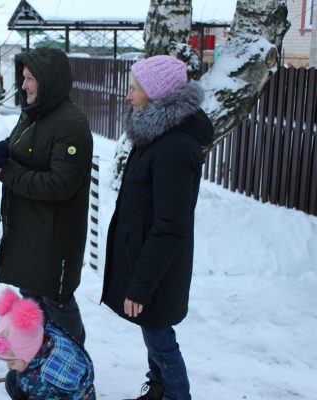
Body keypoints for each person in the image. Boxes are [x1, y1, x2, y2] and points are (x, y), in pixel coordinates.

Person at [101, 55, 214, 400]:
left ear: (155, 93)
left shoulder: (174, 147)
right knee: (153, 332)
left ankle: (176, 395)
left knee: (160, 338)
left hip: (158, 266)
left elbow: (170, 226)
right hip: (147, 260)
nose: (128, 95)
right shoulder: (156, 135)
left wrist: (141, 286)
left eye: (134, 88)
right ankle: (158, 389)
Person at [0, 47, 93, 345]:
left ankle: (74, 371)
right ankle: (41, 363)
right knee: (33, 302)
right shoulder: (34, 114)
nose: (24, 84)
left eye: (30, 78)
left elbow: (60, 184)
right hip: (29, 233)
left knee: (57, 306)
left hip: (53, 240)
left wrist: (8, 174)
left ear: (48, 80)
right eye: (23, 77)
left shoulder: (71, 125)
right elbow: (16, 146)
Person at [0, 288, 95, 399]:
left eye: (12, 362)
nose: (8, 366)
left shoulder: (50, 376)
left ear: (29, 353)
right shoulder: (41, 342)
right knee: (12, 378)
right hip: (38, 381)